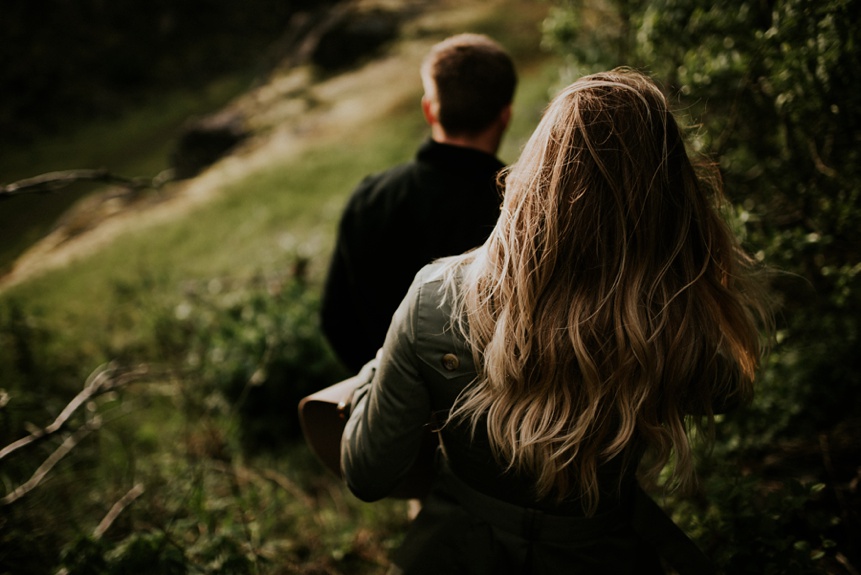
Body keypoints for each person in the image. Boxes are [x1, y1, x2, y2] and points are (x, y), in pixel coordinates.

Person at [340, 68, 772, 574]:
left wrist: (375, 370)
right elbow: (727, 392)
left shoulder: (434, 299)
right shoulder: (671, 315)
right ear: (668, 199)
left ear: (535, 171)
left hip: (457, 553)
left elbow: (368, 474)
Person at [321, 33, 517, 374]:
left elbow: (336, 319)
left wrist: (385, 384)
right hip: (498, 411)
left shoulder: (372, 198)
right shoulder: (521, 206)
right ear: (505, 116)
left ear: (429, 109)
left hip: (394, 409)